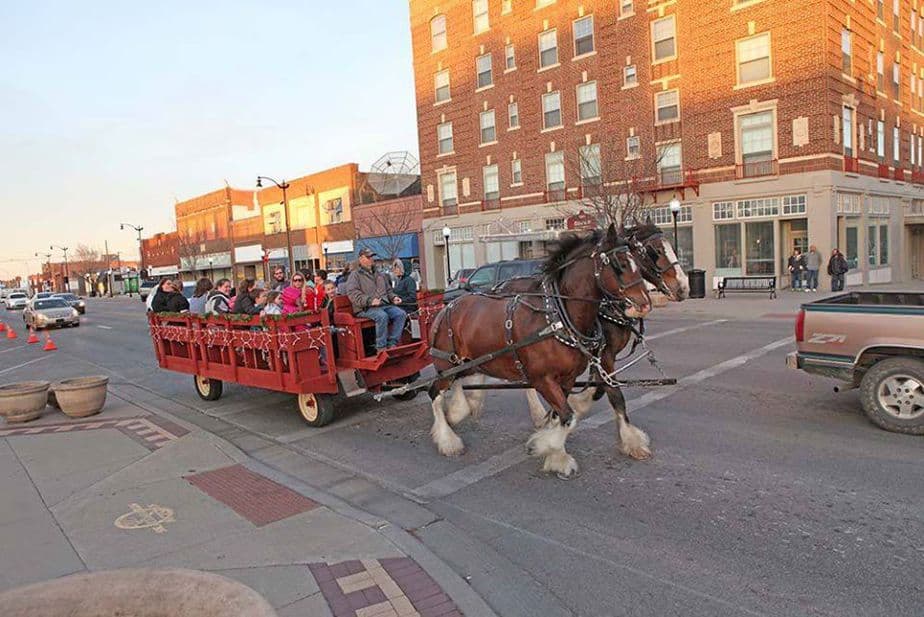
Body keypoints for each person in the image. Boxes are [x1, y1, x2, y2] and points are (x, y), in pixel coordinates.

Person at [345, 248, 406, 351]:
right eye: (368, 257)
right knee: (382, 316)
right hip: (365, 308)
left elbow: (388, 290)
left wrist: (394, 297)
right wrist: (369, 301)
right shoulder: (354, 275)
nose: (371, 259)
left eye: (372, 257)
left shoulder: (380, 274)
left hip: (383, 305)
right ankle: (381, 347)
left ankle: (392, 343)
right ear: (360, 259)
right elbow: (353, 294)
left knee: (401, 314)